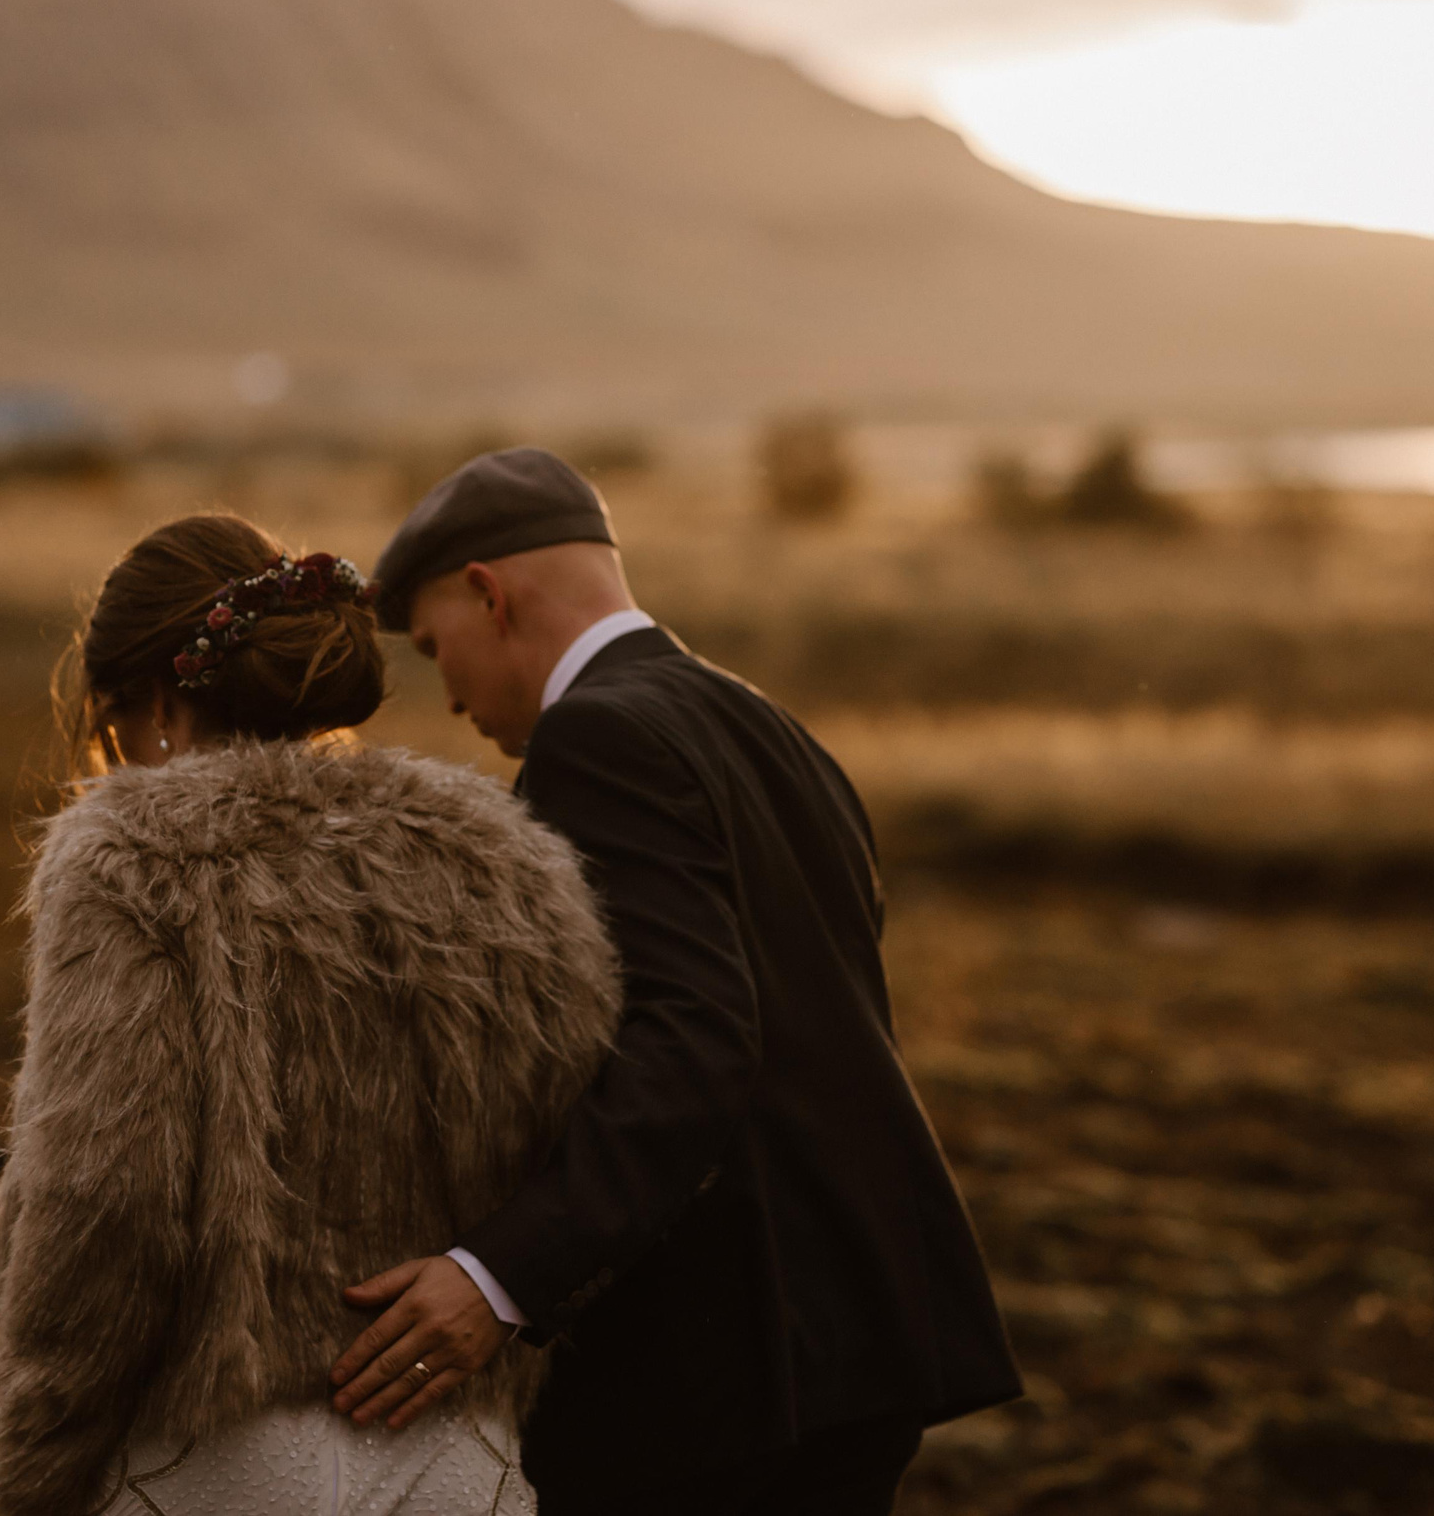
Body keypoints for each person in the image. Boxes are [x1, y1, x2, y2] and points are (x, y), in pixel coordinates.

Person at [329, 449, 1021, 1516]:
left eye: (433, 647)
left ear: (486, 591)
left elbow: (694, 1040)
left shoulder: (595, 737)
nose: (449, 691)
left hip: (728, 1375)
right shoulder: (765, 723)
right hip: (861, 1335)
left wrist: (497, 1275)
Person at [0, 513, 622, 1516]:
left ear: (162, 700)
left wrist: (28, 1456)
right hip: (461, 1459)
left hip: (211, 1461)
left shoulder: (139, 859)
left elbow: (104, 1198)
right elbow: (577, 1139)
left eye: (110, 723)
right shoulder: (507, 859)